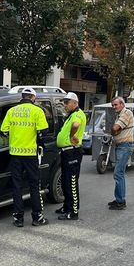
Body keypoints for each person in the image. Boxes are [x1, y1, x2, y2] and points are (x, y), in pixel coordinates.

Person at [1, 87, 49, 227]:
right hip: (30, 154)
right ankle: (37, 218)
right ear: (33, 98)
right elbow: (43, 131)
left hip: (15, 154)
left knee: (17, 186)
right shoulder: (37, 111)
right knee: (33, 185)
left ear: (22, 97)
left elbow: (4, 132)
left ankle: (18, 218)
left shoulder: (11, 111)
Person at [55, 92, 87, 220]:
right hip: (66, 152)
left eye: (67, 102)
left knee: (71, 182)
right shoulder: (72, 114)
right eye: (64, 102)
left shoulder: (78, 114)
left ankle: (73, 212)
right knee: (65, 181)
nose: (65, 105)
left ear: (75, 103)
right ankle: (66, 206)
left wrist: (72, 135)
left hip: (72, 152)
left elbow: (76, 125)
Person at [108, 96, 134, 210]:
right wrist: (115, 131)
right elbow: (115, 129)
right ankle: (118, 198)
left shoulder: (126, 113)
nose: (114, 107)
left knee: (118, 174)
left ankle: (121, 201)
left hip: (125, 146)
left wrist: (114, 131)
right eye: (112, 105)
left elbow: (114, 128)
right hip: (121, 146)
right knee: (119, 173)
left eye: (116, 104)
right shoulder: (119, 115)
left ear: (122, 104)